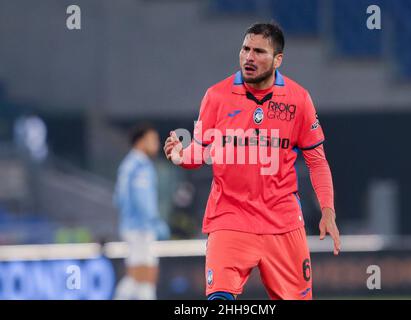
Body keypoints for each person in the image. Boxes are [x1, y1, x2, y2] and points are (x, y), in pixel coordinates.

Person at [164, 23, 340, 300]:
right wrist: (179, 156)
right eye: (246, 49)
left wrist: (327, 210)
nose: (249, 57)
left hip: (282, 223)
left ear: (277, 59)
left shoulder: (298, 99)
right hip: (229, 218)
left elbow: (317, 161)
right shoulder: (216, 97)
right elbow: (201, 151)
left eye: (259, 51)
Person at [114, 124, 170, 300]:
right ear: (140, 142)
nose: (156, 144)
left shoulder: (128, 165)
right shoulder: (139, 167)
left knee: (143, 278)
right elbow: (141, 200)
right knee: (143, 275)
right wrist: (153, 221)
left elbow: (119, 198)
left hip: (135, 227)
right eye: (152, 140)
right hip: (140, 228)